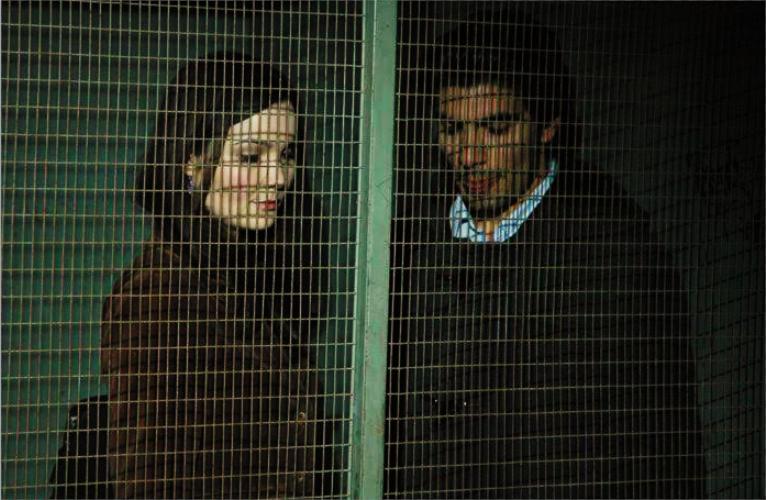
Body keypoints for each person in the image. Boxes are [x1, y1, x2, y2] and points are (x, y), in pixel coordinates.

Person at [386, 12, 705, 499]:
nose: (468, 154)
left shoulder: (610, 246)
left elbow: (660, 440)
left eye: (495, 129)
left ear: (547, 125)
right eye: (452, 129)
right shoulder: (407, 236)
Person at [100, 52, 328, 498]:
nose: (278, 177)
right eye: (251, 157)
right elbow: (152, 482)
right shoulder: (160, 293)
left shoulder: (249, 272)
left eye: (286, 155)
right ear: (192, 162)